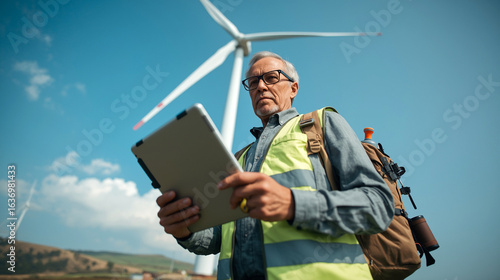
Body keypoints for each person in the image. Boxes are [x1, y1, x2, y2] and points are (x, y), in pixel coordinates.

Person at [156, 51, 394, 280]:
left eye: (271, 78)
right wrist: (185, 230)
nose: (260, 87)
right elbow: (219, 240)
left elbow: (378, 206)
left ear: (293, 88)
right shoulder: (238, 159)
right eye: (252, 82)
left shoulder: (323, 124)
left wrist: (294, 204)